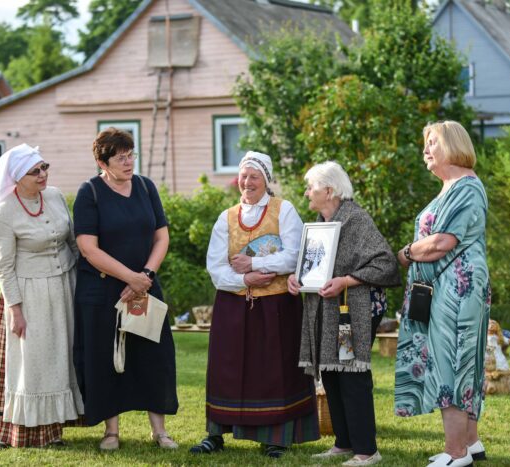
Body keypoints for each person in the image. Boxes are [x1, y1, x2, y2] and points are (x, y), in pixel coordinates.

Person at [190, 151, 318, 458]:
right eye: (244, 176)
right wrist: (246, 280)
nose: (247, 182)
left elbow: (294, 255)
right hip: (233, 306)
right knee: (226, 369)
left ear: (267, 180)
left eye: (254, 177)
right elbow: (216, 268)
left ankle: (277, 435)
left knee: (275, 370)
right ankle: (216, 433)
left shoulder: (284, 211)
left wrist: (253, 262)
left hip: (276, 307)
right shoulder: (227, 217)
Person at [72, 128, 178, 451]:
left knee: (154, 357)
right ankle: (111, 432)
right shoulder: (89, 193)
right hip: (103, 291)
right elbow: (88, 248)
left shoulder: (146, 187)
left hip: (145, 287)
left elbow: (162, 237)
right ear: (102, 162)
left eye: (131, 155)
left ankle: (159, 431)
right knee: (106, 359)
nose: (129, 162)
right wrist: (128, 277)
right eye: (121, 157)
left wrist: (144, 275)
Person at [289, 161, 400, 467]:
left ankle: (367, 450)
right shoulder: (320, 223)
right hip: (328, 310)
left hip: (355, 310)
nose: (307, 192)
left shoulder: (356, 219)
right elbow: (315, 266)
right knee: (332, 373)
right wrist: (297, 277)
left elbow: (386, 263)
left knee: (352, 375)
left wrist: (346, 281)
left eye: (311, 186)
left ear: (329, 189)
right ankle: (344, 442)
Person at [394, 121, 491, 467]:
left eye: (432, 142)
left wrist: (404, 254)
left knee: (452, 362)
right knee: (462, 360)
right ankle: (471, 442)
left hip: (456, 289)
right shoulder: (451, 186)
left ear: (451, 144)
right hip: (449, 288)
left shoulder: (465, 187)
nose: (425, 149)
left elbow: (441, 242)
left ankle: (456, 453)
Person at [0, 143, 84, 448]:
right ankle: (29, 432)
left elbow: (73, 242)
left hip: (64, 285)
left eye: (45, 168)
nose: (43, 175)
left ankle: (54, 430)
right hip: (30, 293)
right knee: (34, 361)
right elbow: (3, 266)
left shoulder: (54, 196)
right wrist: (15, 310)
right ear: (18, 177)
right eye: (35, 171)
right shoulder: (6, 211)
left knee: (60, 358)